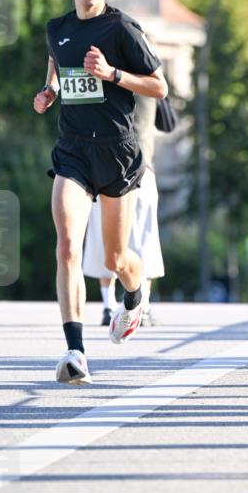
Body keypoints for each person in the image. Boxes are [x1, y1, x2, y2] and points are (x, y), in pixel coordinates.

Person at [33, 0, 168, 387]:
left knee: (115, 257)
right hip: (73, 151)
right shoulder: (57, 28)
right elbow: (57, 64)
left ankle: (135, 291)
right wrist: (49, 91)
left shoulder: (122, 28)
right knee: (68, 247)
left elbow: (159, 87)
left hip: (116, 152)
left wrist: (112, 74)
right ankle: (75, 352)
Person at [83, 93, 165, 326]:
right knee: (144, 237)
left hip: (103, 166)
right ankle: (143, 305)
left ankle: (108, 304)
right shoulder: (146, 80)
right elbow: (168, 120)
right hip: (141, 166)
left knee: (102, 235)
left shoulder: (103, 81)